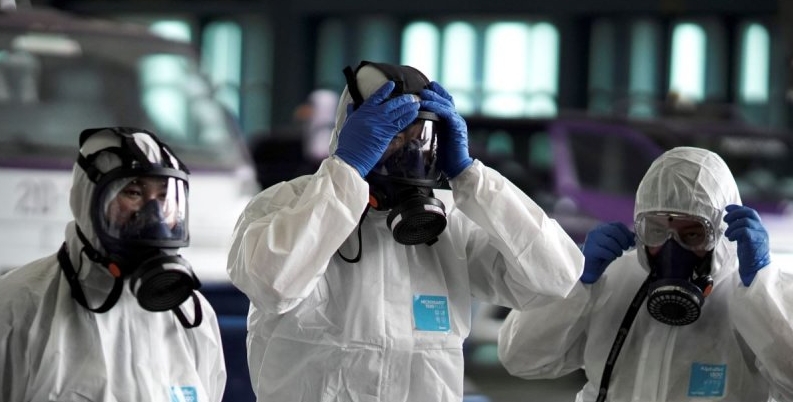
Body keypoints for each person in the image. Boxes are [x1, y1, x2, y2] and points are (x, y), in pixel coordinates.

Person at [226, 60, 584, 401]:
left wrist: (470, 176)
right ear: (354, 130)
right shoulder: (284, 206)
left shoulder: (450, 225)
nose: (410, 152)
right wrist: (347, 172)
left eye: (421, 137)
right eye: (393, 135)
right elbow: (272, 285)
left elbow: (556, 277)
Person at [498, 146, 793, 402]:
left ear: (719, 232)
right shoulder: (612, 278)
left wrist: (762, 292)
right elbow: (520, 358)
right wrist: (575, 282)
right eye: (656, 230)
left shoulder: (754, 295)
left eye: (692, 234)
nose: (671, 248)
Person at [0, 127, 227, 401]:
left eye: (164, 197)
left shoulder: (192, 317)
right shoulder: (17, 306)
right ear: (87, 199)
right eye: (133, 192)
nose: (154, 214)